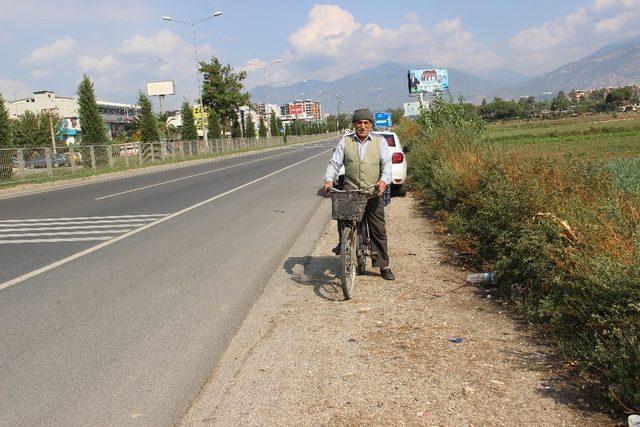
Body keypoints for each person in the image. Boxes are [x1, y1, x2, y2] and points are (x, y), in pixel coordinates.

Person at [323, 108, 395, 281]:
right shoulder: (346, 141)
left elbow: (387, 164)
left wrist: (383, 181)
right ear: (354, 124)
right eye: (359, 123)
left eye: (366, 123)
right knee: (343, 219)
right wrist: (328, 179)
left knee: (378, 229)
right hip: (351, 191)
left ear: (371, 125)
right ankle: (345, 243)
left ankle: (383, 266)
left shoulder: (380, 142)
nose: (362, 126)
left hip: (372, 191)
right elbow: (334, 163)